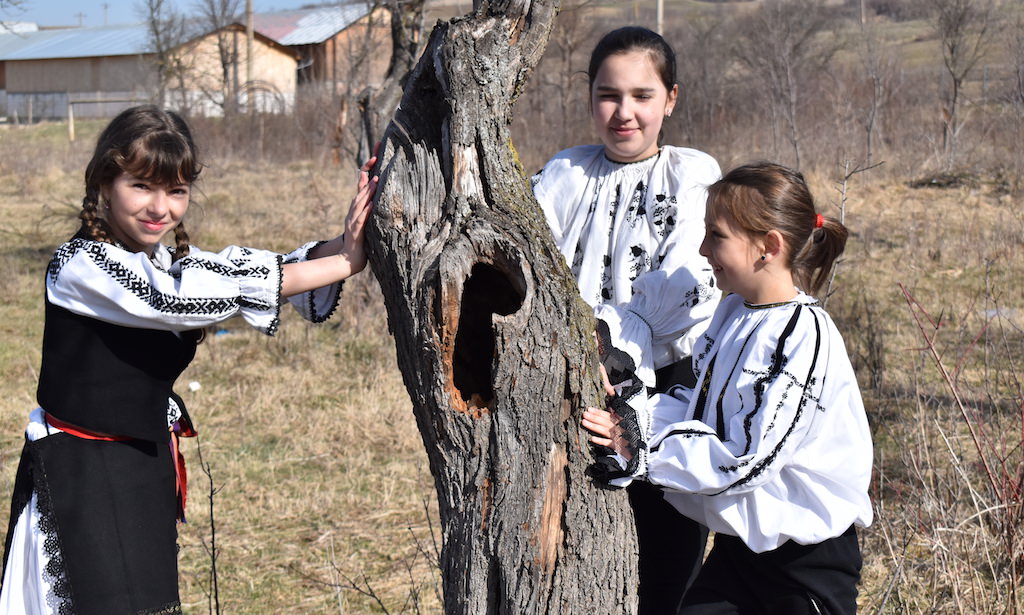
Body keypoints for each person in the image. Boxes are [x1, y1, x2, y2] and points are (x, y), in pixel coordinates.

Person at [0, 105, 378, 615]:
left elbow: (245, 272)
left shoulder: (161, 259)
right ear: (104, 184)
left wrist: (349, 242)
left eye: (176, 191)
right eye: (141, 187)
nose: (160, 208)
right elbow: (176, 297)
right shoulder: (81, 266)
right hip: (83, 475)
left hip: (140, 467)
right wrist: (343, 264)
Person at [582, 162, 874, 614]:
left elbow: (749, 460)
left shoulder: (803, 336)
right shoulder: (734, 311)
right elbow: (699, 409)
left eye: (716, 236)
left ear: (768, 247)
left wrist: (641, 452)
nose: (702, 249)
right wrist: (628, 403)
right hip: (740, 550)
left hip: (804, 566)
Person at [530, 26, 721, 612]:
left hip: (663, 393)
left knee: (664, 563)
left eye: (642, 95)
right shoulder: (567, 173)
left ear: (671, 98)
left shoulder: (691, 175)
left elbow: (687, 288)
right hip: (565, 386)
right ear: (590, 97)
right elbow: (522, 261)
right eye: (609, 94)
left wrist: (609, 339)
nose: (624, 112)